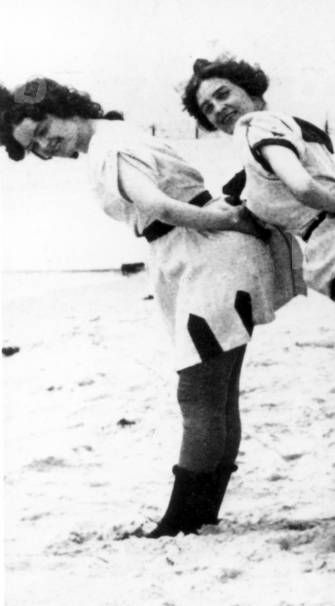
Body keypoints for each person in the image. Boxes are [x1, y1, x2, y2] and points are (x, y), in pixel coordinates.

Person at [0, 78, 301, 538]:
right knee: (218, 394)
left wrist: (229, 221)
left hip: (208, 258)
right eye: (36, 143)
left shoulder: (109, 147)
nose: (46, 142)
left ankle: (182, 521)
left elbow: (159, 204)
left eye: (43, 127)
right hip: (204, 256)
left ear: (65, 106)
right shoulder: (120, 134)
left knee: (198, 395)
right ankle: (200, 514)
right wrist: (230, 225)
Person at [182, 57, 335, 549]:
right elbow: (280, 188)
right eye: (207, 106)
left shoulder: (257, 126)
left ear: (252, 93)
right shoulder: (294, 131)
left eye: (225, 94)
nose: (218, 109)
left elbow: (301, 187)